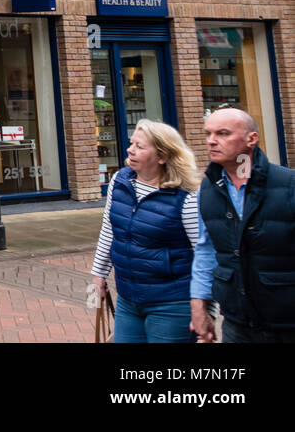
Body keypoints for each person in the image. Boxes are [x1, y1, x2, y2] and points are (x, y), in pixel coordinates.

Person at [190, 107, 295, 343]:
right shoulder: (207, 191)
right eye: (208, 134)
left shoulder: (288, 185)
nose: (212, 141)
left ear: (251, 139)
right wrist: (199, 304)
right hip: (238, 322)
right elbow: (206, 249)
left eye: (223, 133)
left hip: (287, 321)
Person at [91, 119, 200, 342]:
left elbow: (205, 254)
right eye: (132, 144)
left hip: (172, 303)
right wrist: (99, 275)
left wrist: (205, 308)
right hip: (128, 299)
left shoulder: (186, 198)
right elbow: (110, 229)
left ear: (162, 156)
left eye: (140, 147)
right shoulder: (120, 181)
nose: (130, 150)